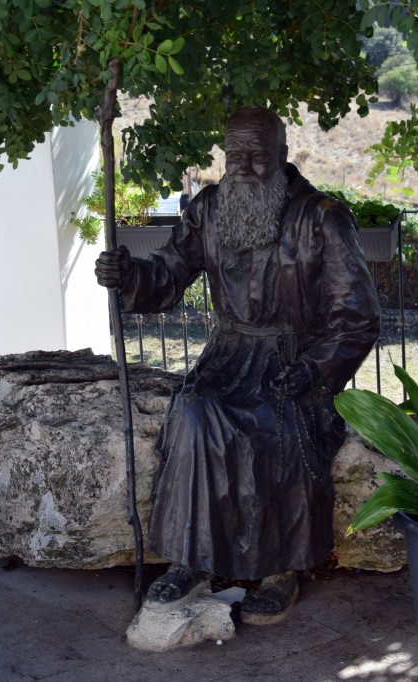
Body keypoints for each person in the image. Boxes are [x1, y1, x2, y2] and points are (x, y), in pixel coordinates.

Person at [96, 107, 381, 624]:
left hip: (293, 358)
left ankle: (281, 570)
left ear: (283, 155)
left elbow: (357, 315)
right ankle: (190, 561)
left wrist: (316, 369)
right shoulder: (207, 209)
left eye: (257, 155)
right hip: (225, 358)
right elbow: (167, 274)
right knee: (193, 415)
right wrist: (129, 275)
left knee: (275, 423)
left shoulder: (322, 217)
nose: (244, 166)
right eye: (235, 155)